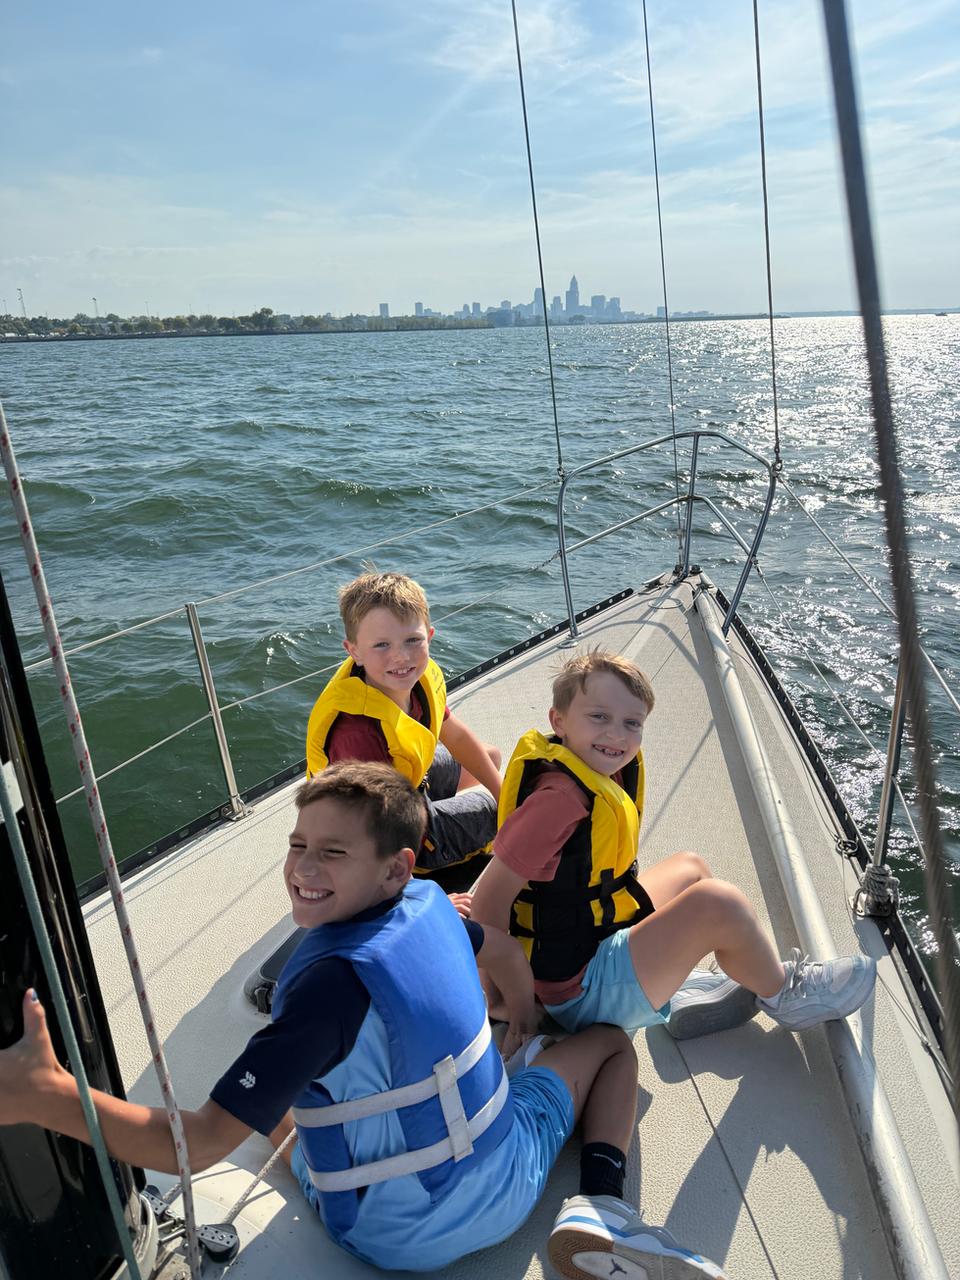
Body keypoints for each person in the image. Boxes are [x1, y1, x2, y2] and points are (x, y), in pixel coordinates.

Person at [0, 762, 729, 1279]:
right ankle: (603, 1204)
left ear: (394, 867)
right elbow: (505, 956)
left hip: (383, 1239)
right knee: (606, 1045)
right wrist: (524, 1032)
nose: (303, 867)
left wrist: (50, 1095)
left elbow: (187, 1148)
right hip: (484, 1192)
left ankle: (597, 1210)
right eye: (296, 846)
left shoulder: (324, 991)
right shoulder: (434, 907)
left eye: (331, 852)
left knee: (290, 1105)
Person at [470, 649, 877, 1042]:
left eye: (633, 722)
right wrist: (507, 1002)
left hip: (589, 942)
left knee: (691, 869)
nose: (617, 734)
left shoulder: (588, 769)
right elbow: (489, 905)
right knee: (721, 904)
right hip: (576, 993)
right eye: (599, 717)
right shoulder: (557, 803)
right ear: (558, 721)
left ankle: (695, 978)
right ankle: (786, 996)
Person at [306, 571, 500, 877]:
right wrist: (415, 894)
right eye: (382, 645)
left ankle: (445, 806)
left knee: (491, 758)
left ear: (430, 637)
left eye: (413, 640)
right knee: (495, 812)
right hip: (397, 838)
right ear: (353, 651)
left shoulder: (417, 680)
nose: (401, 656)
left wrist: (505, 793)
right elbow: (361, 833)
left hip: (407, 784)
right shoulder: (358, 735)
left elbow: (457, 736)